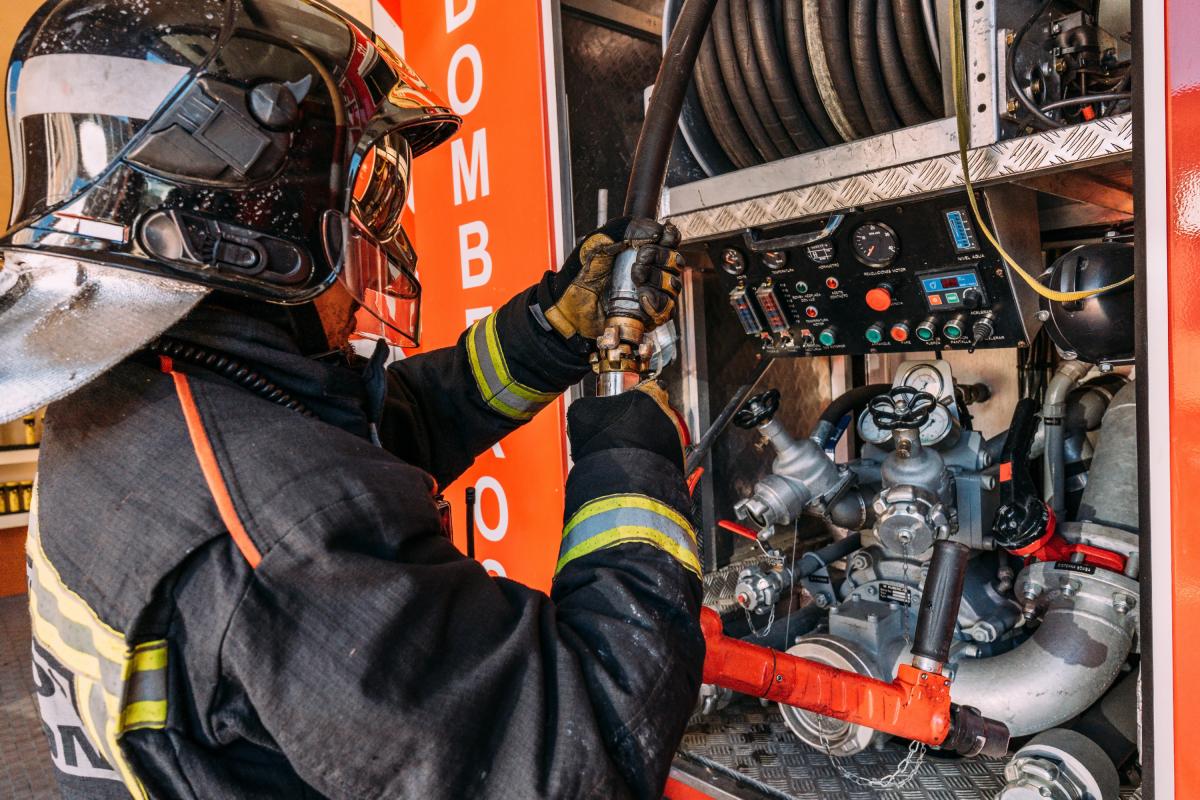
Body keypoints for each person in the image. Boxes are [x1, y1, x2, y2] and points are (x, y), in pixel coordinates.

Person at [0, 1, 703, 798]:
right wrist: (633, 451)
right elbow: (583, 746)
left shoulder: (132, 397)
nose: (380, 226)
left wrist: (551, 332)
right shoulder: (284, 540)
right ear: (254, 214)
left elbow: (378, 433)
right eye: (365, 188)